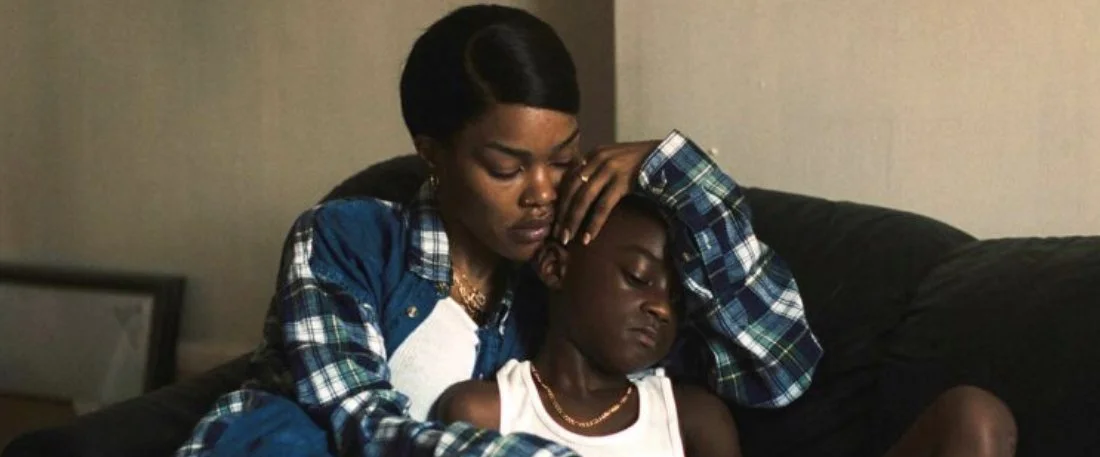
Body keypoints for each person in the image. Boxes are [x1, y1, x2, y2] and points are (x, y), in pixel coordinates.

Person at [175, 4, 1012, 457]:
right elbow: (356, 419)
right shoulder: (347, 240)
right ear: (432, 152)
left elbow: (778, 370)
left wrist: (678, 170)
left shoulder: (577, 267)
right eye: (508, 166)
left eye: (562, 157)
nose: (542, 192)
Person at [437, 195, 740, 457]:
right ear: (555, 267)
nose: (662, 309)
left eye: (676, 300)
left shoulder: (693, 419)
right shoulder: (487, 412)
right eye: (637, 276)